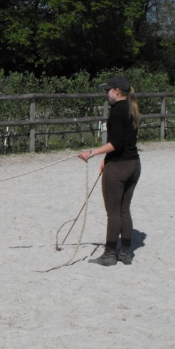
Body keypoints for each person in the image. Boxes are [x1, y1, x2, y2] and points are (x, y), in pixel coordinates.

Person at [77, 76, 141, 266]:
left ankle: (110, 254)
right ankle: (126, 253)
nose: (107, 93)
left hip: (119, 168)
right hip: (133, 165)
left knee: (113, 213)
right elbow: (125, 142)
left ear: (117, 92)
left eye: (109, 90)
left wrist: (92, 153)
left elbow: (116, 143)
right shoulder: (132, 109)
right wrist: (106, 159)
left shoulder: (117, 112)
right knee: (124, 210)